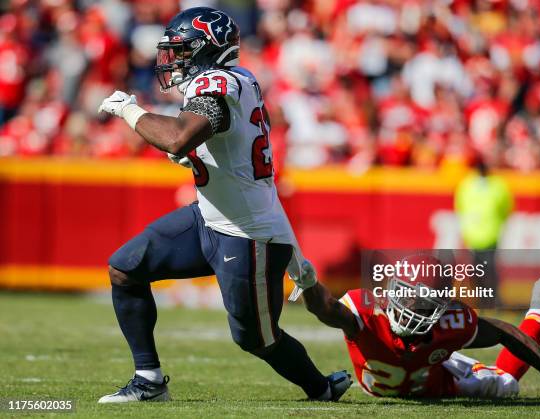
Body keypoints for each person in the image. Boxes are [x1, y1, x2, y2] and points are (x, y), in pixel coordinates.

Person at [96, 7, 351, 403]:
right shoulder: (238, 78)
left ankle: (321, 387)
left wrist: (129, 109)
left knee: (255, 338)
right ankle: (148, 379)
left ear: (207, 49)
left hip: (248, 235)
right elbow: (214, 139)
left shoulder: (218, 81)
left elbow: (179, 137)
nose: (173, 59)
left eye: (182, 50)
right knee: (125, 268)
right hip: (209, 218)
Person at [298, 258, 540, 401]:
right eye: (406, 293)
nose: (411, 304)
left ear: (440, 308)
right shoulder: (366, 314)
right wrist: (308, 282)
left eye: (422, 301)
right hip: (417, 378)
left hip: (441, 382)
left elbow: (503, 332)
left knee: (508, 385)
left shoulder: (449, 324)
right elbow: (324, 307)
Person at [455, 158, 513, 306]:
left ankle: (488, 299)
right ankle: (488, 299)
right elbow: (506, 207)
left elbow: (460, 208)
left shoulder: (468, 185)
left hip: (481, 234)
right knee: (484, 269)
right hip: (484, 234)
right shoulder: (495, 185)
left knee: (483, 269)